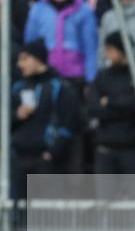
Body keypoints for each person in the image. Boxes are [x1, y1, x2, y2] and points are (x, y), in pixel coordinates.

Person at [10, 40, 82, 198]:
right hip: (20, 158)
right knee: (22, 214)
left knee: (46, 214)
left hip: (46, 159)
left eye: (24, 59)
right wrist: (17, 115)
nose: (20, 64)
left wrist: (52, 153)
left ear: (38, 59)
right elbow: (5, 121)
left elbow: (69, 122)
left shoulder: (60, 86)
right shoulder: (18, 87)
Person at [89, 31, 135, 198]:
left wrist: (109, 102)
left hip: (134, 148)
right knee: (105, 201)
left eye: (110, 49)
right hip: (107, 148)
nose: (106, 54)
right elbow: (94, 107)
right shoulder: (103, 76)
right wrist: (121, 105)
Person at [24, 0, 99, 86]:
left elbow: (91, 48)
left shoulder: (84, 10)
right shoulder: (38, 9)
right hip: (45, 76)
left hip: (76, 76)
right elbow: (30, 44)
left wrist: (91, 81)